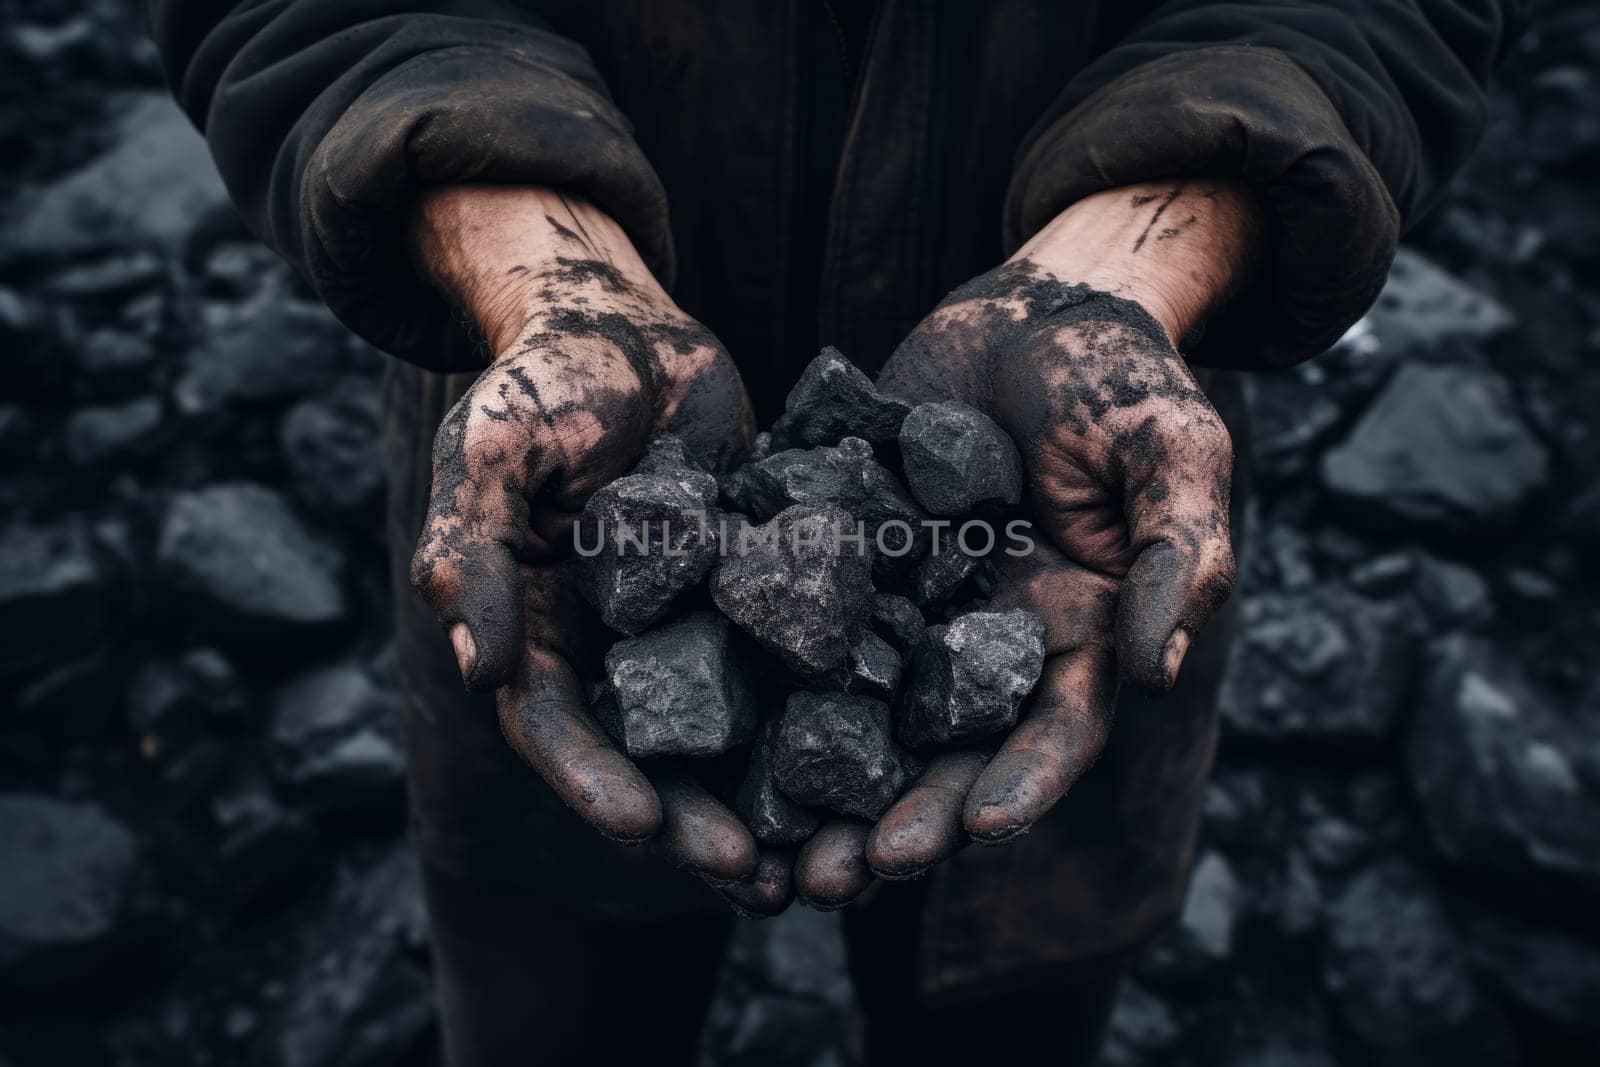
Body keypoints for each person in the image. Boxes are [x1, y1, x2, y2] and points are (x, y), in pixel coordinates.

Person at [146, 2, 1520, 1063]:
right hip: (546, 464)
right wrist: (531, 254)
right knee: (554, 1007)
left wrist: (1150, 254)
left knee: (1013, 1006)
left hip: (1083, 515)